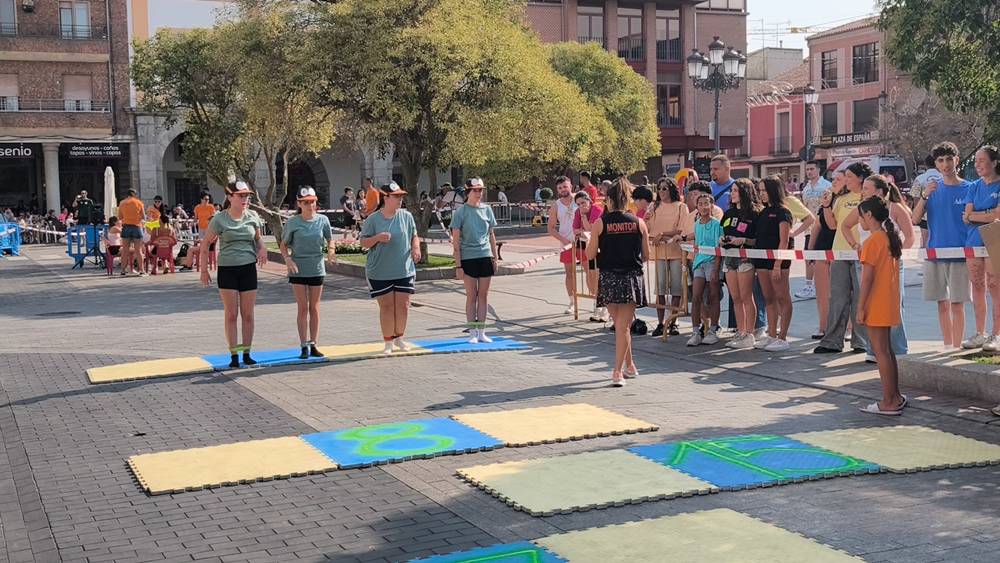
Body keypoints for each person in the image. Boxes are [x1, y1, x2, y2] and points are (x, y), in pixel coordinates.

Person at [842, 174, 914, 362]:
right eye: (863, 187)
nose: (863, 191)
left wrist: (896, 257)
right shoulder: (863, 210)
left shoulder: (895, 208)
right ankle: (874, 349)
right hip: (867, 260)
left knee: (893, 306)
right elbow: (845, 226)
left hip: (889, 264)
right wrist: (855, 245)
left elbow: (910, 236)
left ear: (880, 191)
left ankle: (897, 349)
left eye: (867, 187)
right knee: (869, 304)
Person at [585, 177, 649, 387]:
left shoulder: (600, 223)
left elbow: (591, 253)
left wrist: (591, 242)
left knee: (621, 325)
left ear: (609, 200)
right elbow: (646, 255)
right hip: (631, 276)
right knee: (623, 326)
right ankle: (625, 367)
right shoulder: (639, 223)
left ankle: (620, 370)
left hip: (610, 276)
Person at [200, 181, 268, 368]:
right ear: (230, 197)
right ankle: (234, 356)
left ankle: (247, 352)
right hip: (228, 270)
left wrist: (262, 248)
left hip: (248, 269)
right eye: (241, 196)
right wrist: (204, 270)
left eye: (247, 196)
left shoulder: (253, 216)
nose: (245, 199)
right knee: (231, 314)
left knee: (248, 314)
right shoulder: (220, 219)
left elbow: (258, 238)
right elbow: (206, 245)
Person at [910, 141, 971, 350]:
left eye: (948, 159)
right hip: (935, 253)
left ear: (957, 160)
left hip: (961, 254)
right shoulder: (932, 190)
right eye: (940, 160)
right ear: (936, 164)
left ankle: (956, 345)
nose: (945, 164)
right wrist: (925, 196)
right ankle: (947, 345)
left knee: (957, 303)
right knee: (941, 302)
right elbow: (915, 219)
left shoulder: (969, 188)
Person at [857, 196, 907, 415]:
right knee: (887, 351)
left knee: (881, 352)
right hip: (888, 301)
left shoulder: (872, 241)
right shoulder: (889, 238)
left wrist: (860, 307)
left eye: (861, 216)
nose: (860, 221)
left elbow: (866, 279)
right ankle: (895, 396)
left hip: (876, 303)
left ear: (868, 216)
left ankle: (889, 401)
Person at [360, 182, 421, 354]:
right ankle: (388, 342)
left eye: (401, 196)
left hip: (404, 269)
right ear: (385, 198)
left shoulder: (406, 216)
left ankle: (400, 338)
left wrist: (415, 247)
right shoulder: (373, 219)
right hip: (380, 271)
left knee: (403, 305)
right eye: (396, 196)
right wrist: (377, 237)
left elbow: (414, 235)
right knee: (386, 307)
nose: (400, 199)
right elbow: (363, 242)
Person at [814, 162, 868, 354]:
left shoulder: (868, 196)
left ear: (861, 178)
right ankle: (832, 341)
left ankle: (861, 341)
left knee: (860, 298)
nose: (846, 180)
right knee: (837, 297)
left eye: (849, 176)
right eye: (845, 176)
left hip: (862, 254)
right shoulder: (841, 198)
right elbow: (832, 225)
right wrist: (827, 206)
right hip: (839, 252)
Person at [281, 186, 336, 359]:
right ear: (299, 203)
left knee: (315, 307)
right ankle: (303, 344)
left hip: (316, 266)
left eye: (312, 202)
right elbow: (283, 245)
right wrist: (288, 259)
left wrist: (331, 251)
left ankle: (313, 343)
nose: (309, 205)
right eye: (305, 202)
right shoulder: (293, 222)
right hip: (298, 267)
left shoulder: (323, 220)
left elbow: (330, 239)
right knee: (303, 307)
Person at [451, 178, 499, 344]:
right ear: (468, 192)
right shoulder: (461, 212)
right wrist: (458, 265)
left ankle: (482, 332)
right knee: (472, 295)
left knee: (483, 295)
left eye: (480, 190)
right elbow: (456, 241)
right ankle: (472, 331)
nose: (478, 193)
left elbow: (491, 234)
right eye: (475, 190)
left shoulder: (487, 210)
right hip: (468, 257)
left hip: (484, 255)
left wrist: (494, 256)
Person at [962, 146, 1000, 352]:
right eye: (975, 160)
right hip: (973, 239)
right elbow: (967, 215)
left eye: (982, 160)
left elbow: (996, 216)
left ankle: (997, 334)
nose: (977, 164)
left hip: (995, 239)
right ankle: (979, 332)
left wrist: (976, 215)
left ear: (994, 162)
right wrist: (982, 214)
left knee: (995, 285)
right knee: (977, 285)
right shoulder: (974, 186)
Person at [752, 176, 795, 352]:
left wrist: (778, 264)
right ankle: (771, 335)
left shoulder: (783, 212)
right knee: (768, 297)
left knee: (782, 297)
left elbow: (784, 241)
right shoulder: (762, 212)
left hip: (778, 261)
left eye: (764, 190)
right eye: (760, 190)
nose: (761, 194)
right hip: (761, 261)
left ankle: (783, 337)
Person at [721, 178, 763, 349]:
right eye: (732, 191)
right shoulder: (729, 213)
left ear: (745, 192)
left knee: (747, 296)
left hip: (745, 256)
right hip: (729, 256)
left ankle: (750, 333)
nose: (732, 194)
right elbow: (723, 228)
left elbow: (758, 239)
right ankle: (741, 331)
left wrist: (744, 240)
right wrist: (723, 240)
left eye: (736, 191)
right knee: (735, 297)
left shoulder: (755, 213)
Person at [646, 177, 688, 337]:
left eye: (664, 188)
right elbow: (649, 229)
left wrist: (663, 234)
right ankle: (660, 323)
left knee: (676, 289)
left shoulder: (681, 207)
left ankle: (673, 321)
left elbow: (681, 229)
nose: (662, 191)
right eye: (659, 188)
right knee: (660, 289)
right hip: (659, 253)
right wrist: (647, 221)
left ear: (671, 189)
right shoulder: (654, 206)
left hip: (676, 251)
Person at [681, 193, 723, 346]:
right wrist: (684, 237)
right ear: (697, 207)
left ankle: (713, 329)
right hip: (699, 263)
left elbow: (718, 248)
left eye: (707, 203)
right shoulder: (697, 223)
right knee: (696, 295)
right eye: (700, 204)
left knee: (713, 296)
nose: (704, 207)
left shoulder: (717, 225)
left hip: (712, 263)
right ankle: (695, 331)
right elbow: (696, 237)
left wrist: (716, 269)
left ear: (712, 206)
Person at [808, 171, 844, 340]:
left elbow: (832, 225)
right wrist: (810, 249)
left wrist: (828, 206)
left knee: (840, 293)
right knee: (822, 293)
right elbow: (817, 225)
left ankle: (847, 328)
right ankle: (823, 326)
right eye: (834, 179)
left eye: (838, 179)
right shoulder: (828, 198)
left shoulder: (844, 201)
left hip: (839, 249)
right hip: (821, 249)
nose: (834, 182)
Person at [795, 162, 832, 299]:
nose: (809, 172)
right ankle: (809, 286)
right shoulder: (806, 189)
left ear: (818, 170)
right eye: (807, 170)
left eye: (812, 169)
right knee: (808, 258)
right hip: (810, 229)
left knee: (823, 259)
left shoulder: (827, 186)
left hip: (825, 228)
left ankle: (825, 286)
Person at [547, 176, 580, 314]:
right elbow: (551, 228)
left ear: (571, 186)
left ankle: (598, 303)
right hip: (567, 243)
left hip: (583, 241)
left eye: (565, 186)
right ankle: (573, 302)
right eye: (560, 188)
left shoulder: (579, 199)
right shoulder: (556, 205)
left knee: (591, 272)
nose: (563, 190)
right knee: (569, 273)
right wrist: (564, 240)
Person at [572, 191, 604, 322]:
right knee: (590, 275)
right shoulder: (577, 213)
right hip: (587, 247)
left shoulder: (597, 210)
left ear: (589, 201)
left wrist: (584, 218)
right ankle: (597, 303)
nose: (581, 206)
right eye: (578, 204)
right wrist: (583, 229)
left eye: (583, 203)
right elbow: (575, 230)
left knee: (598, 274)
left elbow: (592, 230)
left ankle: (603, 307)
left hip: (599, 247)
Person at [116, 189, 145, 276]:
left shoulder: (122, 203)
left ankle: (123, 270)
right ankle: (142, 270)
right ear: (133, 194)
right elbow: (143, 216)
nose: (136, 195)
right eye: (136, 193)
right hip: (137, 226)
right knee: (138, 250)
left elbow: (120, 217)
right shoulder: (139, 202)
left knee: (125, 250)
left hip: (126, 227)